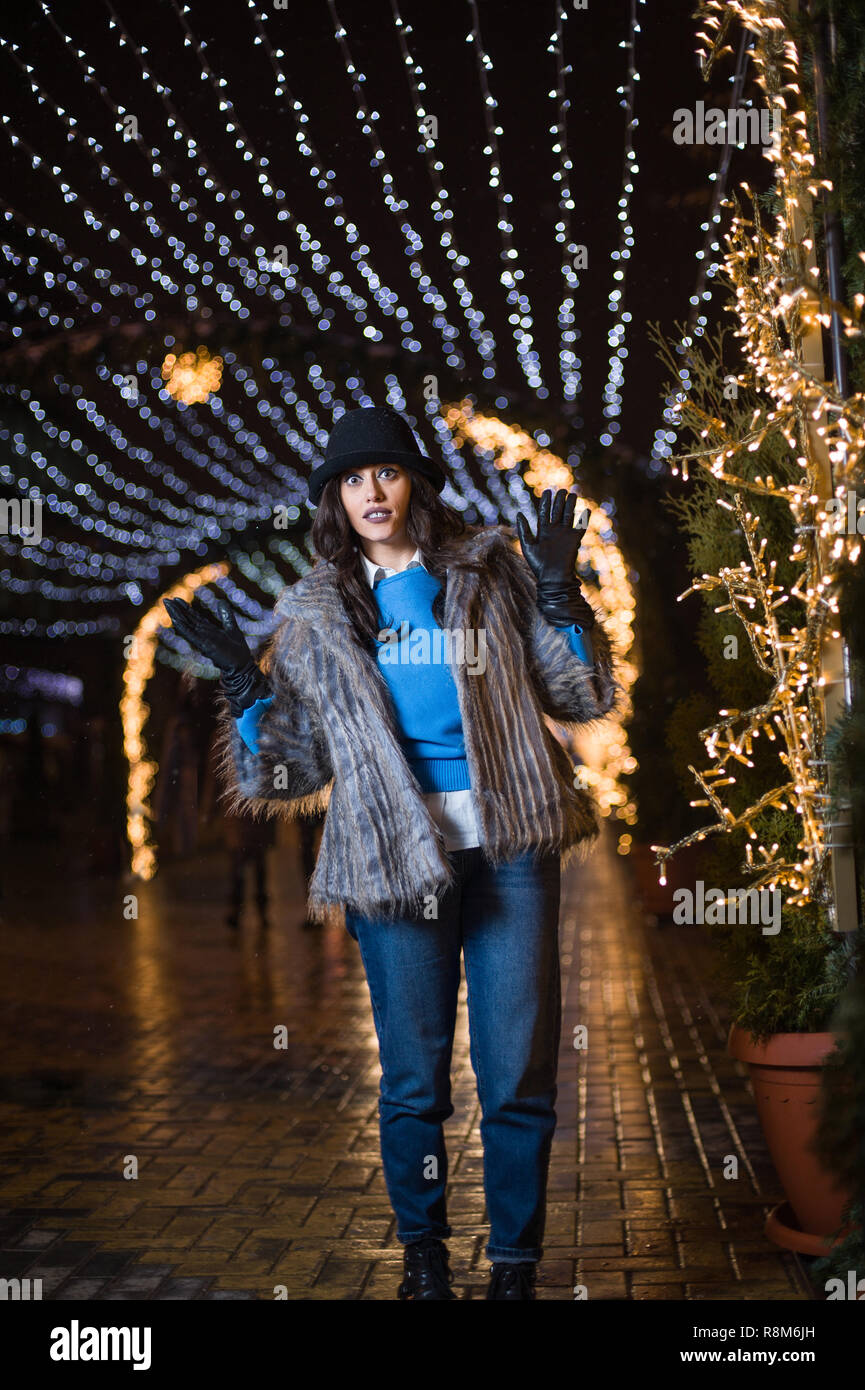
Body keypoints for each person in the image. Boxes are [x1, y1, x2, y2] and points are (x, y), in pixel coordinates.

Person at [165, 405, 620, 1301]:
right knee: (414, 1082)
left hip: (511, 841)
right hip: (388, 856)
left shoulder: (487, 574)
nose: (372, 492)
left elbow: (579, 692)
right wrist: (245, 685)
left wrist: (562, 597)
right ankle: (423, 1258)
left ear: (414, 484)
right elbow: (288, 772)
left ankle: (516, 1267)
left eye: (387, 474)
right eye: (353, 480)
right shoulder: (317, 614)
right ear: (336, 500)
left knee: (517, 1074)